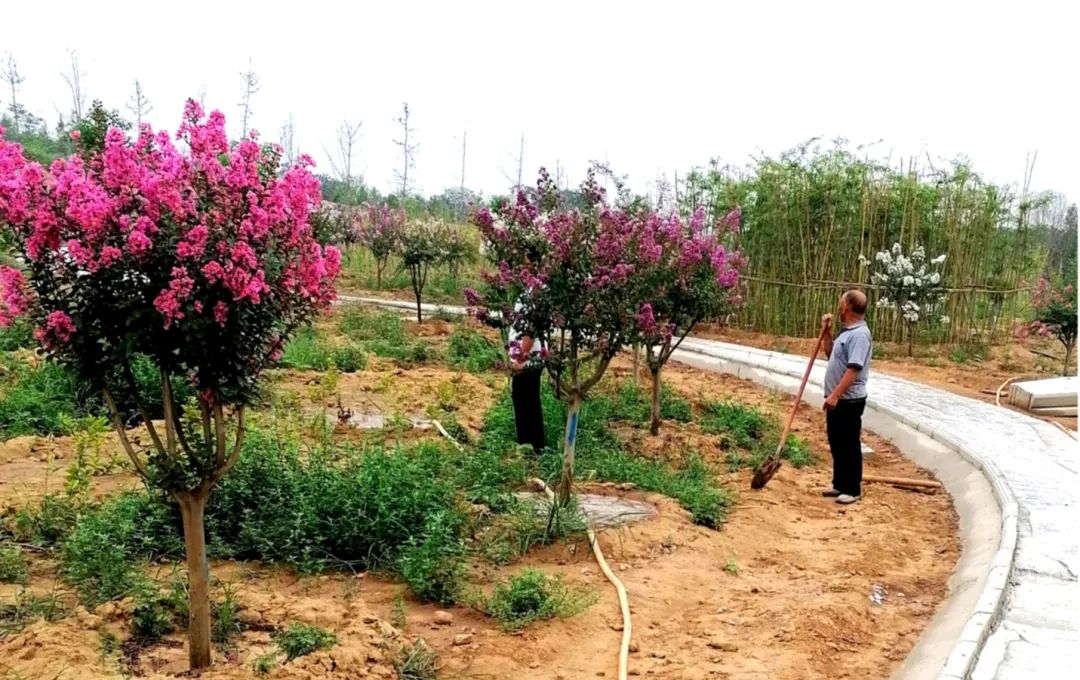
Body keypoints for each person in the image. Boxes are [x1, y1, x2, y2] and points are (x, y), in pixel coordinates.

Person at [820, 289, 872, 505]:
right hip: (838, 399)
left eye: (841, 304)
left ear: (847, 307)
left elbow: (853, 369)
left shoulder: (860, 335)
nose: (839, 307)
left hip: (849, 400)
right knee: (837, 441)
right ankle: (840, 483)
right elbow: (830, 354)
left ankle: (852, 488)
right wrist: (826, 333)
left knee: (849, 443)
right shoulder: (846, 332)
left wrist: (835, 395)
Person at [508, 305, 545, 457]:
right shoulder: (529, 293)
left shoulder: (531, 297)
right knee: (530, 403)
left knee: (525, 404)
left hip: (526, 363)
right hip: (530, 362)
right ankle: (535, 447)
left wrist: (520, 359)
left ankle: (528, 449)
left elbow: (530, 331)